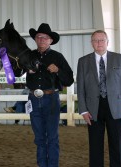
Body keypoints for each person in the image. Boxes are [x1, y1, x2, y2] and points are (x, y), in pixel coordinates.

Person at [76, 30, 121, 167]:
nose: (99, 43)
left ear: (107, 42)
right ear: (91, 43)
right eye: (95, 40)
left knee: (116, 144)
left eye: (102, 40)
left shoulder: (119, 58)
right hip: (93, 109)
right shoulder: (83, 61)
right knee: (95, 145)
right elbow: (80, 87)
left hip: (116, 107)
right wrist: (83, 110)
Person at [26, 23, 74, 167]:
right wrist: (26, 69)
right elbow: (15, 73)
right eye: (39, 37)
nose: (41, 40)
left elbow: (70, 79)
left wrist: (58, 70)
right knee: (39, 138)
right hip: (33, 99)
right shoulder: (29, 56)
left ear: (50, 41)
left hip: (51, 99)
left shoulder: (57, 57)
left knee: (52, 137)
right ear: (35, 39)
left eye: (45, 37)